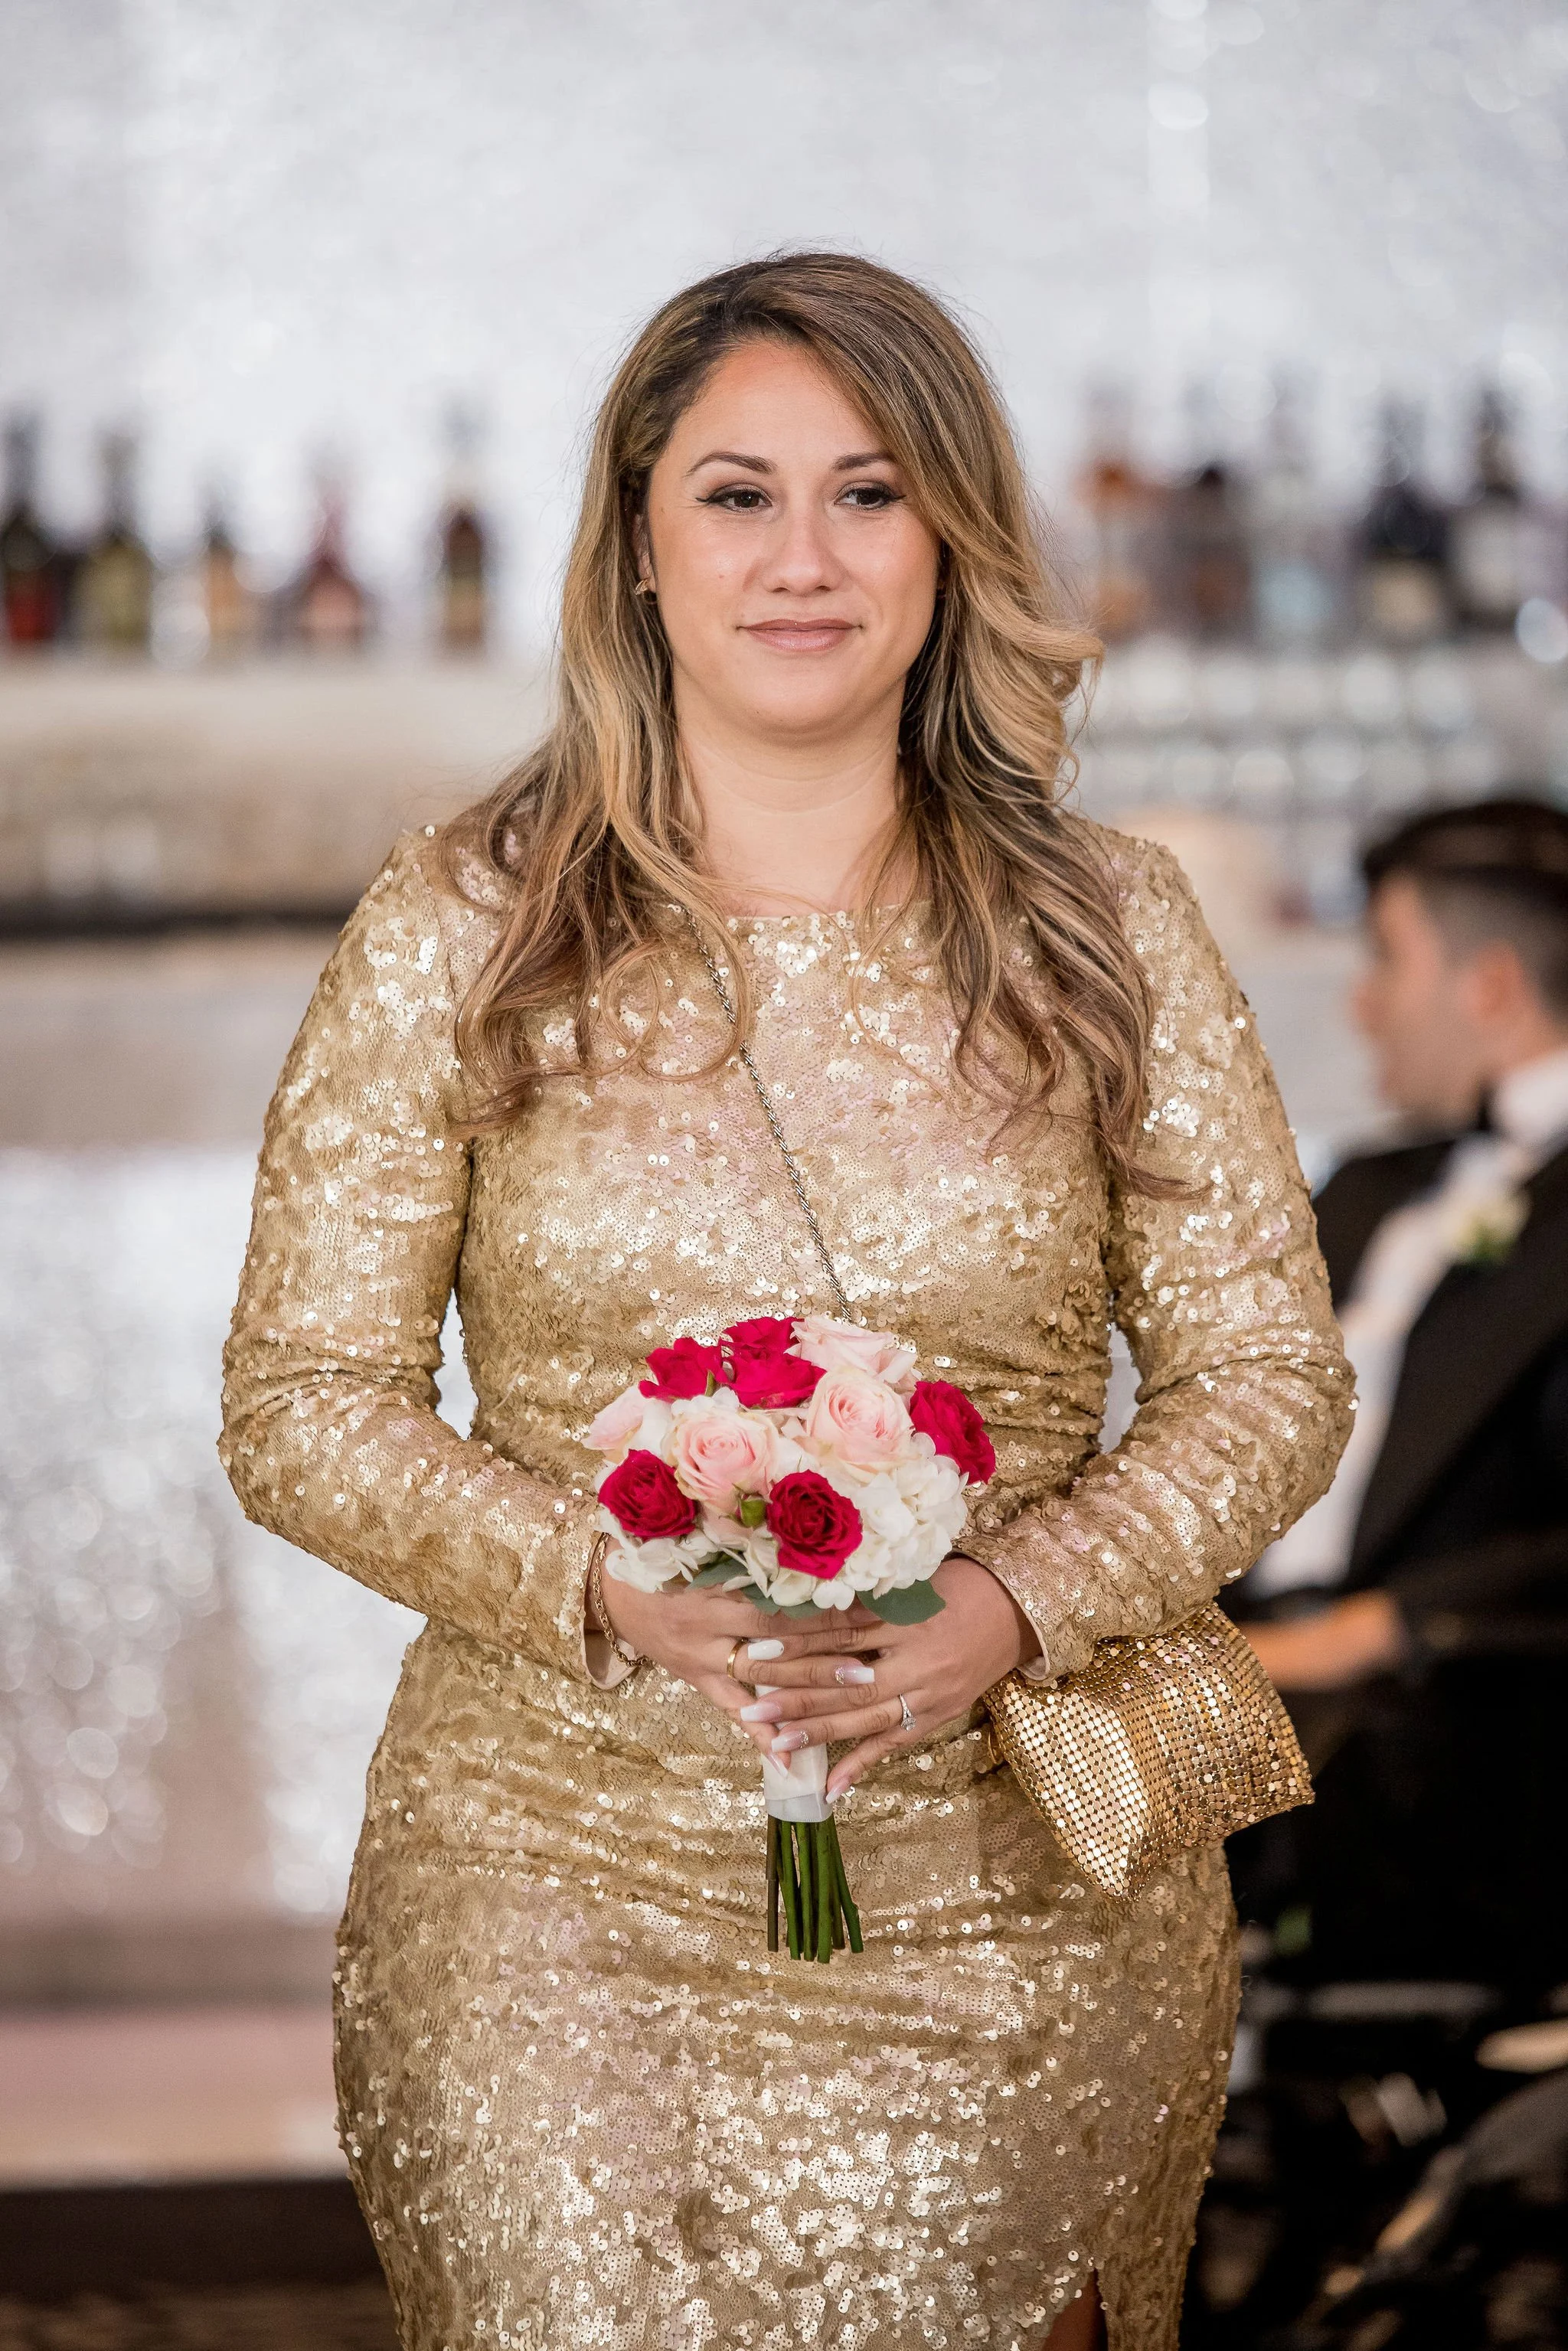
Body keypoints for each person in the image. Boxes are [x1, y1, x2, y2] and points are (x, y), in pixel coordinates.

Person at [219, 253, 1350, 2351]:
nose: (804, 557)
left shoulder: (1113, 929)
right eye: (739, 495)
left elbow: (1269, 1375)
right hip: (551, 1872)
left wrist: (1019, 1598)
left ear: (954, 543)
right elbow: (302, 1397)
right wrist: (603, 1581)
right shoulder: (463, 925)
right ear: (638, 546)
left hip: (1015, 1892)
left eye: (873, 491)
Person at [1238, 798, 1568, 1993]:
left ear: (1487, 986)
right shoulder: (1373, 1188)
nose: (1362, 1001)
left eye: (1387, 958)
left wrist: (1366, 1632)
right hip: (1250, 1677)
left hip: (1448, 1722)